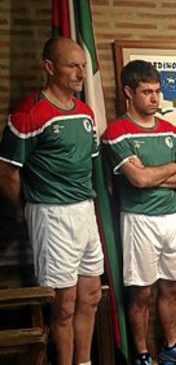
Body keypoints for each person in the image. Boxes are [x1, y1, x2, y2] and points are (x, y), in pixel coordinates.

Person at [0, 36, 102, 365]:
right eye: (72, 66)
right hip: (51, 214)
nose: (81, 73)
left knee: (91, 296)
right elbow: (7, 172)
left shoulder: (86, 113)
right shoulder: (29, 114)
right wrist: (24, 211)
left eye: (83, 66)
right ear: (49, 67)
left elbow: (88, 164)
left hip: (85, 210)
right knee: (64, 304)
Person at [102, 60, 176, 365]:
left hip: (172, 217)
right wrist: (171, 168)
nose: (154, 98)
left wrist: (154, 174)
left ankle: (170, 347)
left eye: (157, 91)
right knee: (142, 292)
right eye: (147, 92)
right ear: (128, 92)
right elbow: (138, 179)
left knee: (171, 286)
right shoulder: (117, 132)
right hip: (139, 219)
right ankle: (142, 354)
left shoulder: (171, 132)